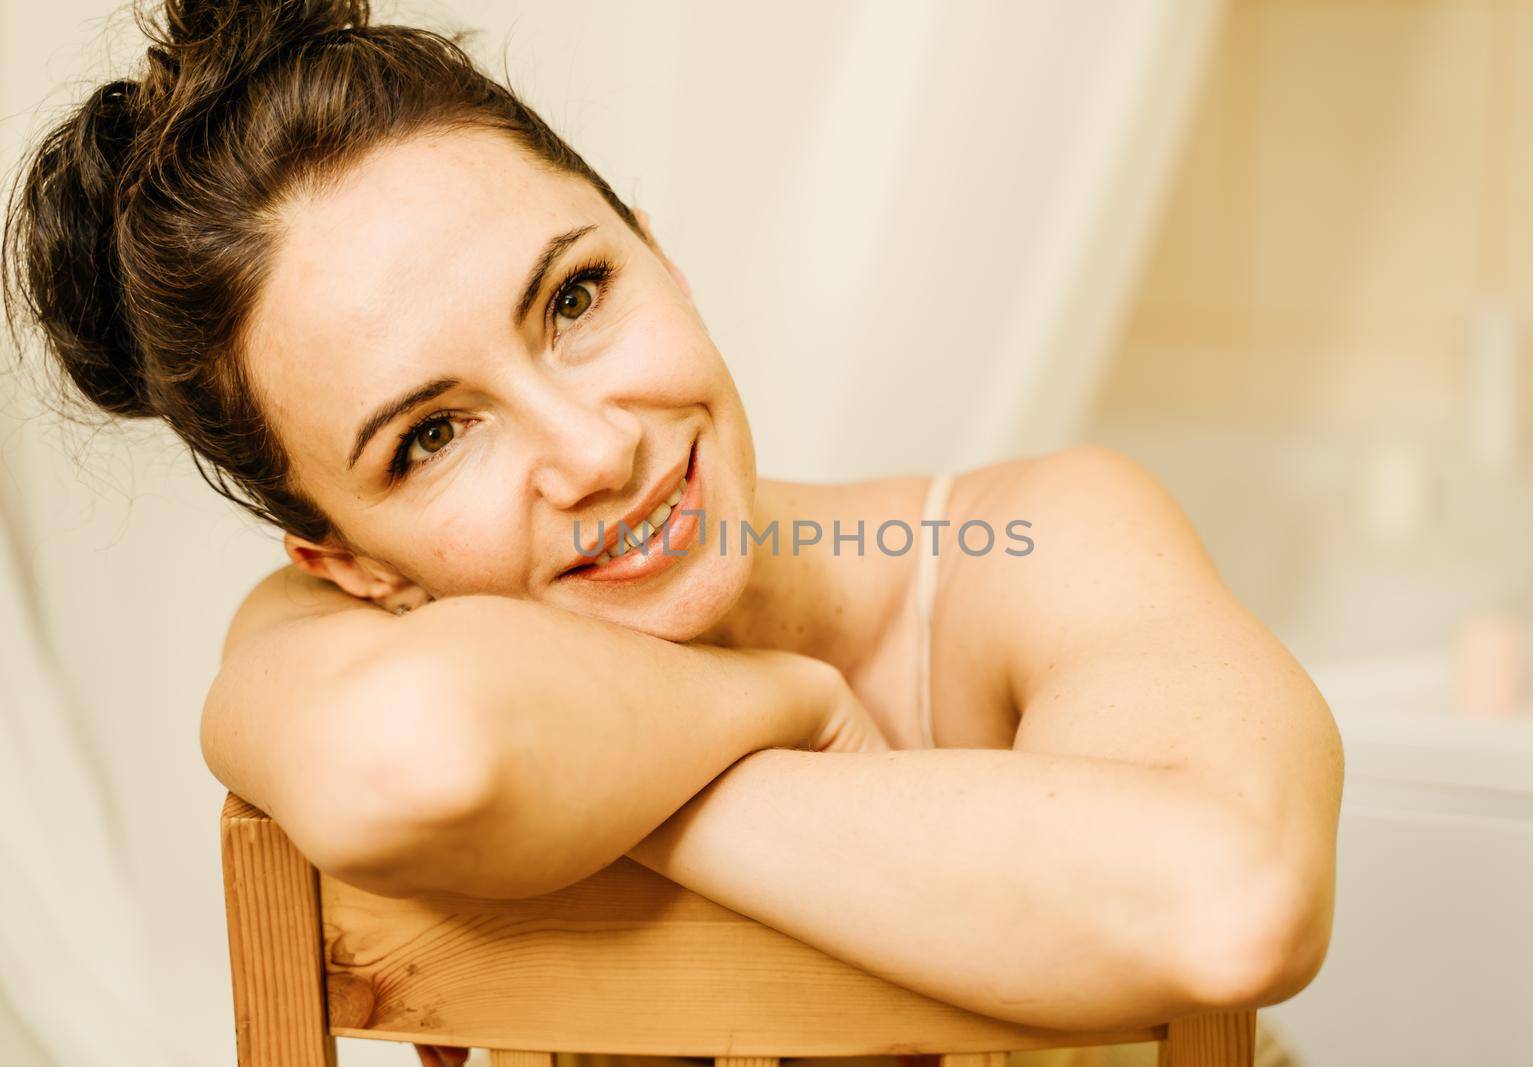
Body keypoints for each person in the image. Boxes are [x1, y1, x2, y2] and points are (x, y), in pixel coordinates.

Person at [2, 3, 1341, 1066]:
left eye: (576, 295)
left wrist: (661, 788)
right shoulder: (347, 659)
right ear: (347, 563)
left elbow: (1233, 902)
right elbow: (415, 755)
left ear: (660, 251)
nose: (595, 447)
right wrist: (790, 703)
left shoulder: (1034, 541)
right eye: (430, 436)